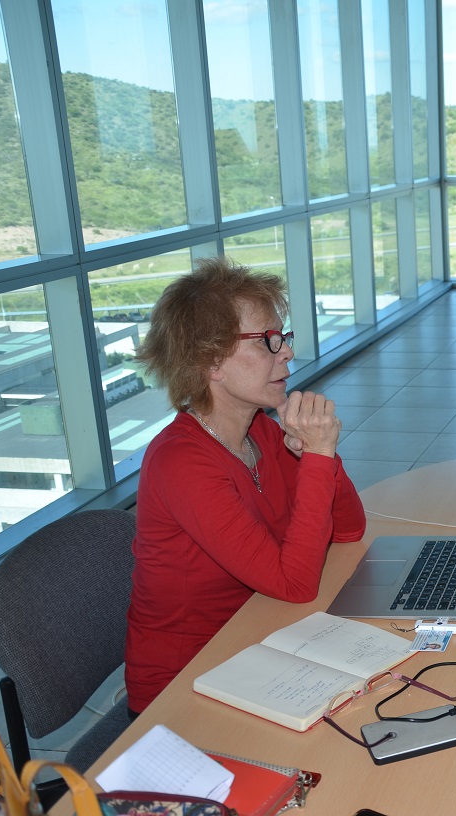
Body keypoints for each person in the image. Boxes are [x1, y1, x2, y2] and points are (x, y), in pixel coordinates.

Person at [125, 256, 366, 715]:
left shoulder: (261, 430)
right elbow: (294, 583)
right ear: (210, 360)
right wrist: (316, 458)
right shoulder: (181, 462)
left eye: (285, 337)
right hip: (185, 689)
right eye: (269, 342)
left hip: (259, 640)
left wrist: (322, 457)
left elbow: (348, 529)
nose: (288, 353)